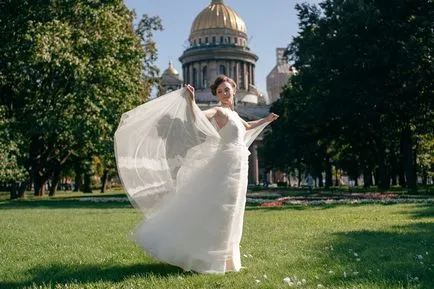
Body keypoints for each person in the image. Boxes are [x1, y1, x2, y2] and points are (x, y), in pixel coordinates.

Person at [114, 75, 278, 274]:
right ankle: (210, 259)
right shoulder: (218, 110)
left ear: (234, 90)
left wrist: (267, 120)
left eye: (227, 89)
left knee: (233, 210)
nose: (224, 94)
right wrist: (191, 101)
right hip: (225, 165)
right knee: (221, 209)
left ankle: (227, 261)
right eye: (220, 91)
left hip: (238, 166)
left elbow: (248, 126)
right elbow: (197, 117)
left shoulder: (235, 115)